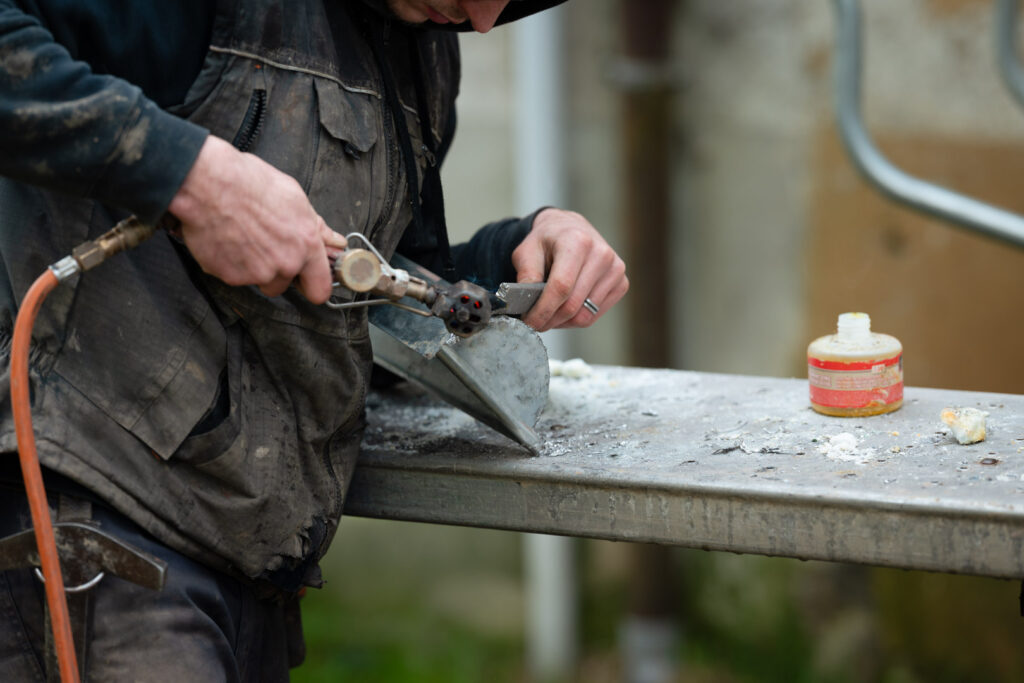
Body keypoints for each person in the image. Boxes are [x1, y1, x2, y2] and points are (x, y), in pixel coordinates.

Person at [0, 0, 628, 679]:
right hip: (110, 538)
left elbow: (373, 298)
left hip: (254, 565)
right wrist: (189, 175)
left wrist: (519, 255)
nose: (483, 21)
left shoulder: (422, 46)